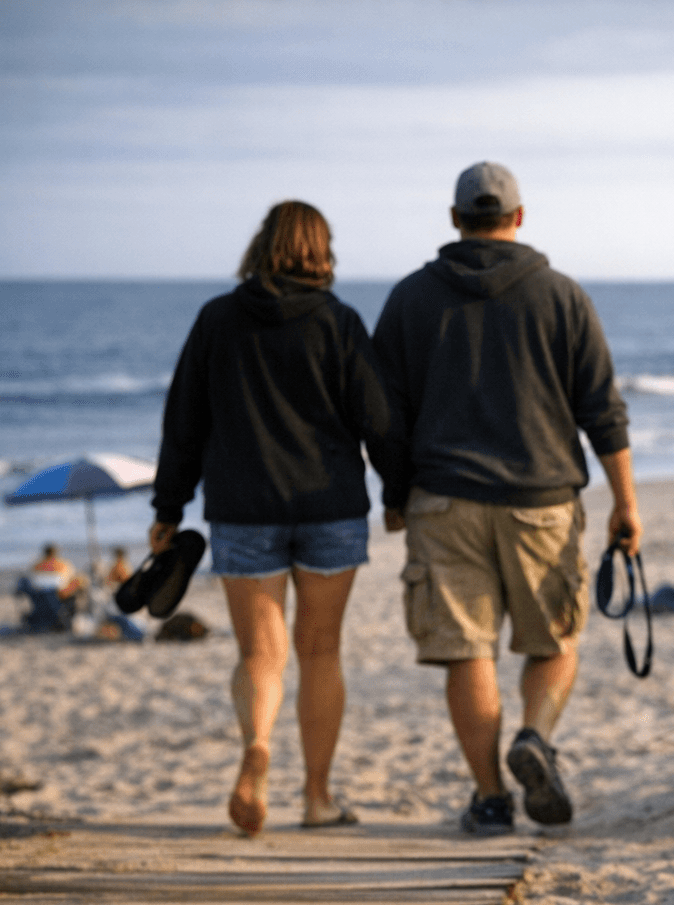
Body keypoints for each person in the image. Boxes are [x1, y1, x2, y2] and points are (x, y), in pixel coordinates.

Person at [372, 161, 639, 836]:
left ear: (456, 220)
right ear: (519, 217)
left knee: (468, 652)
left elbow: (382, 413)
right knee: (554, 639)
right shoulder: (562, 295)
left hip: (442, 502)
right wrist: (625, 502)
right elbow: (602, 410)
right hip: (542, 501)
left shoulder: (410, 299)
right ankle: (535, 735)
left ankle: (490, 798)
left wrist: (395, 492)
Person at [149, 200, 397, 835]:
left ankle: (258, 744)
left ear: (261, 246)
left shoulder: (217, 320)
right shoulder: (339, 323)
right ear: (323, 250)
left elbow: (183, 422)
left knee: (261, 653)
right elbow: (379, 421)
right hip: (330, 508)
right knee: (321, 651)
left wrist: (167, 508)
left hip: (243, 509)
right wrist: (400, 490)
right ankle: (317, 799)